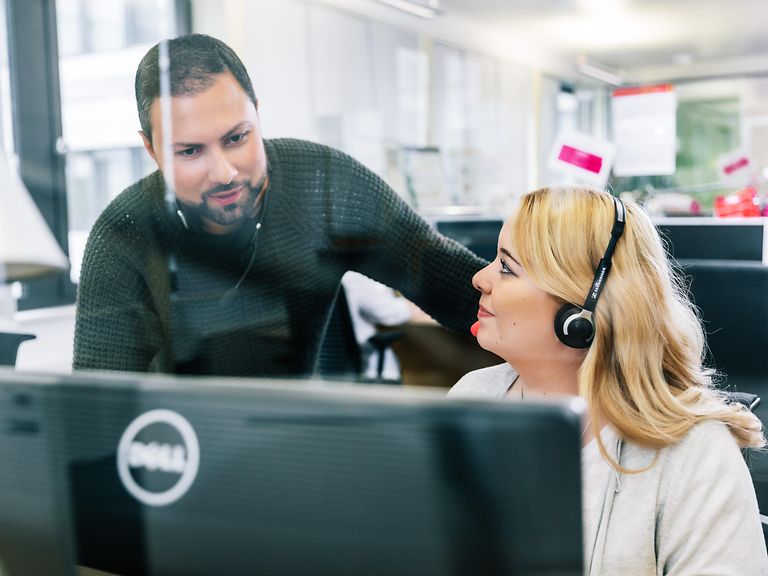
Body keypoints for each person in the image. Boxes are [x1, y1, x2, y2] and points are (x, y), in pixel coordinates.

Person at [72, 33, 485, 377]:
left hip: (293, 431)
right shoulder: (124, 233)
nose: (224, 173)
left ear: (257, 115)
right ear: (151, 150)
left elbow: (460, 290)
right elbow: (96, 406)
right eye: (190, 151)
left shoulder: (326, 182)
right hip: (175, 440)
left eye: (237, 138)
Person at [449, 185, 768, 575]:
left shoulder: (694, 453)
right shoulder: (472, 398)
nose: (479, 278)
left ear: (579, 313)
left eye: (506, 267)